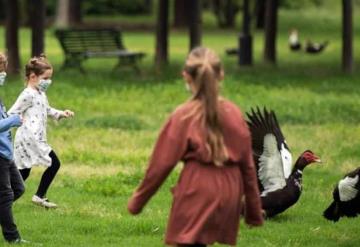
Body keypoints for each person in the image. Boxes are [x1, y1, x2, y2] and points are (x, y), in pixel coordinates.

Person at [128, 47, 263, 246]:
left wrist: (137, 201)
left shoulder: (184, 115)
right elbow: (248, 165)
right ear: (221, 75)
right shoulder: (234, 113)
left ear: (186, 76)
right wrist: (253, 209)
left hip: (197, 189)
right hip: (230, 192)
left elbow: (160, 165)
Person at [8, 54, 74, 209]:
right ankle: (39, 196)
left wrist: (61, 113)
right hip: (30, 139)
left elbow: (46, 109)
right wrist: (17, 121)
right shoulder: (27, 95)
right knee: (55, 163)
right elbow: (11, 113)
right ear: (32, 76)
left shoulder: (40, 93)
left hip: (34, 138)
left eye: (50, 78)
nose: (48, 82)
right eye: (45, 78)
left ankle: (4, 201)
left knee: (23, 173)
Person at [0, 53, 27, 244]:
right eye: (0, 70)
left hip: (6, 152)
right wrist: (13, 120)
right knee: (6, 194)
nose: (3, 74)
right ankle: (13, 237)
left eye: (3, 70)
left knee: (18, 188)